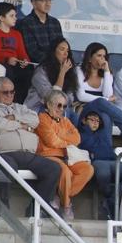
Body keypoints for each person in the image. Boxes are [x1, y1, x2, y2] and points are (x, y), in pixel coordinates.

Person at [0, 76, 60, 203]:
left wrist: (14, 117)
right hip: (0, 154)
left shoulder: (20, 108)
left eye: (12, 92)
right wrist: (22, 125)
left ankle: (38, 210)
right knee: (8, 165)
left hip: (27, 154)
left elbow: (35, 121)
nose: (10, 95)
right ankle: (3, 205)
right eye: (5, 92)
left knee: (54, 168)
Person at [34, 88, 92, 220]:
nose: (62, 109)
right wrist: (66, 137)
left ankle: (60, 196)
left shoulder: (65, 121)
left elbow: (77, 139)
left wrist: (60, 136)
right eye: (58, 105)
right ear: (49, 105)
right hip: (48, 156)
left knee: (87, 169)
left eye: (64, 106)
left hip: (67, 156)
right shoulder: (42, 119)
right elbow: (52, 141)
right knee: (65, 172)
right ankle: (66, 205)